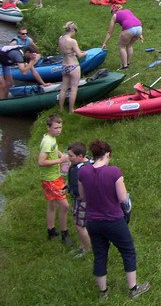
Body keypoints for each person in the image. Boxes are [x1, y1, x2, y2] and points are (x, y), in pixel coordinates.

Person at [78, 139, 150, 300]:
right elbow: (123, 198)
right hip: (113, 220)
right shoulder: (114, 172)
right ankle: (133, 288)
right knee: (128, 250)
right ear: (108, 154)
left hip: (93, 222)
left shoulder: (83, 172)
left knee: (100, 254)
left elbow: (82, 196)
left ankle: (103, 292)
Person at [38, 114, 74, 248]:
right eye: (55, 128)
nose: (58, 130)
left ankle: (51, 231)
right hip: (51, 179)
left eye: (60, 127)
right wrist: (60, 160)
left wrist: (61, 155)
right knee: (65, 206)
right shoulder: (48, 142)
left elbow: (54, 149)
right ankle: (65, 234)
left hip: (51, 177)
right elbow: (41, 162)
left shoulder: (50, 138)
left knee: (52, 205)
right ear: (48, 128)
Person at [66, 141, 93, 257]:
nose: (68, 158)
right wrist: (67, 187)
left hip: (83, 200)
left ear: (80, 156)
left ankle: (87, 249)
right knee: (80, 224)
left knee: (80, 226)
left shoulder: (84, 169)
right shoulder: (80, 165)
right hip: (78, 198)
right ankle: (82, 246)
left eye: (71, 156)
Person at [101, 5, 143, 70]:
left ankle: (125, 66)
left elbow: (110, 32)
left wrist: (104, 43)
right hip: (139, 27)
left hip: (129, 29)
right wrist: (140, 34)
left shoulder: (114, 16)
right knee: (129, 45)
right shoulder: (128, 10)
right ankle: (128, 62)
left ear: (113, 11)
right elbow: (134, 21)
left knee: (122, 46)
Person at [58, 21, 86, 112]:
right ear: (73, 29)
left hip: (64, 65)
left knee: (63, 88)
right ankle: (71, 110)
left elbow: (65, 51)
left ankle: (61, 109)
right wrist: (85, 53)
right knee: (74, 89)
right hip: (73, 65)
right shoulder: (72, 41)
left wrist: (74, 51)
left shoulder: (61, 38)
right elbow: (79, 55)